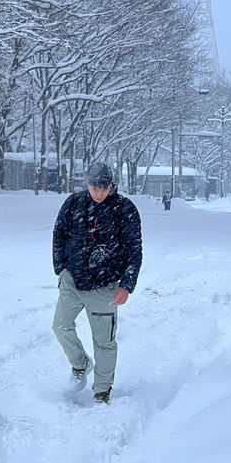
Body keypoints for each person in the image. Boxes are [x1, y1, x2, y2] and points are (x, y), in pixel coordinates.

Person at [52, 161, 143, 405]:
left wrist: (127, 285)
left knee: (103, 342)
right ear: (87, 183)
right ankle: (80, 364)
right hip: (73, 279)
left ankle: (102, 391)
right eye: (95, 188)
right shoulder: (73, 203)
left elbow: (135, 250)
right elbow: (59, 234)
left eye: (105, 188)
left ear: (112, 186)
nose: (100, 193)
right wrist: (60, 268)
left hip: (105, 285)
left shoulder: (125, 209)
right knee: (60, 326)